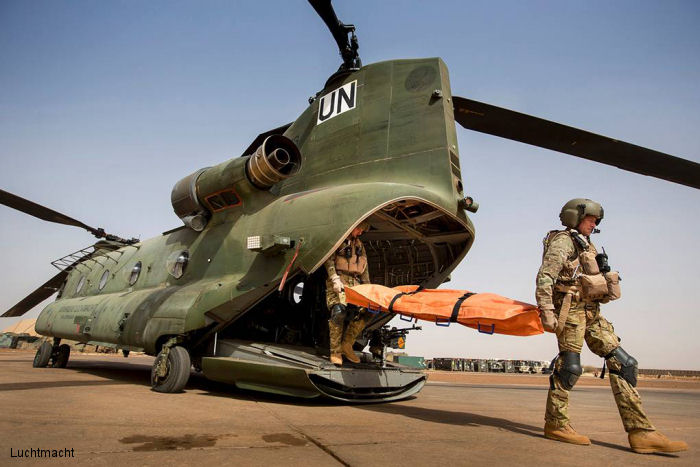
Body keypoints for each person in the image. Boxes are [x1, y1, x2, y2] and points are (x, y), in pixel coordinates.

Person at [536, 198, 688, 454]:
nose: (594, 224)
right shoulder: (563, 241)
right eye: (590, 219)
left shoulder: (587, 244)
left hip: (591, 311)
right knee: (570, 367)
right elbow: (545, 276)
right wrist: (547, 310)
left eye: (596, 221)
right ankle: (556, 424)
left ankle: (641, 432)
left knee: (625, 364)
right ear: (576, 216)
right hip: (570, 311)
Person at [324, 221, 372, 366]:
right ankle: (335, 351)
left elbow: (365, 269)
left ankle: (347, 345)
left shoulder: (360, 246)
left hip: (355, 283)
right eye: (359, 229)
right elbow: (329, 260)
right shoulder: (339, 240)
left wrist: (369, 289)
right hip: (339, 281)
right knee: (338, 312)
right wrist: (334, 279)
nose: (360, 233)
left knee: (369, 310)